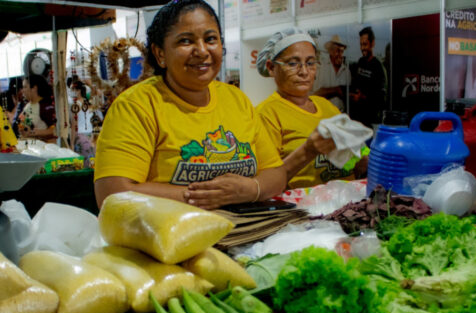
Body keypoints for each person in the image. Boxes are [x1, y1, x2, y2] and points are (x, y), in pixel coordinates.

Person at [94, 0, 322, 210]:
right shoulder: (136, 106)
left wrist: (250, 189)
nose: (202, 51)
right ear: (160, 53)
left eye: (210, 39)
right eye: (186, 40)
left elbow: (276, 174)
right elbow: (112, 193)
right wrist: (208, 196)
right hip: (169, 242)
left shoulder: (236, 100)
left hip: (243, 235)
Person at [256, 28, 364, 189]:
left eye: (310, 63)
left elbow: (355, 160)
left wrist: (364, 158)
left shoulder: (326, 106)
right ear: (271, 67)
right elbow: (264, 183)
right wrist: (308, 151)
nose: (304, 72)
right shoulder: (266, 114)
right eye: (293, 63)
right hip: (303, 209)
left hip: (346, 203)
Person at [350, 26, 387, 127]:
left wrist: (362, 97)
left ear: (372, 43)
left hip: (371, 121)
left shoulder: (378, 67)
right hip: (357, 119)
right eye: (361, 45)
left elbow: (381, 99)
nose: (362, 48)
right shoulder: (360, 62)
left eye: (365, 44)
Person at [313, 34, 352, 111]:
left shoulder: (347, 72)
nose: (340, 55)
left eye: (342, 51)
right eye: (337, 51)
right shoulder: (321, 68)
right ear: (330, 51)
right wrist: (336, 90)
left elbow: (348, 98)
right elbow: (315, 95)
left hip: (341, 118)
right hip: (324, 117)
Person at [18, 74, 56, 142]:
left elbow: (56, 130)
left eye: (25, 87)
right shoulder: (27, 106)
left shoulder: (46, 106)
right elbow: (24, 122)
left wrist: (36, 133)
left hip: (46, 147)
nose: (22, 91)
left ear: (34, 88)